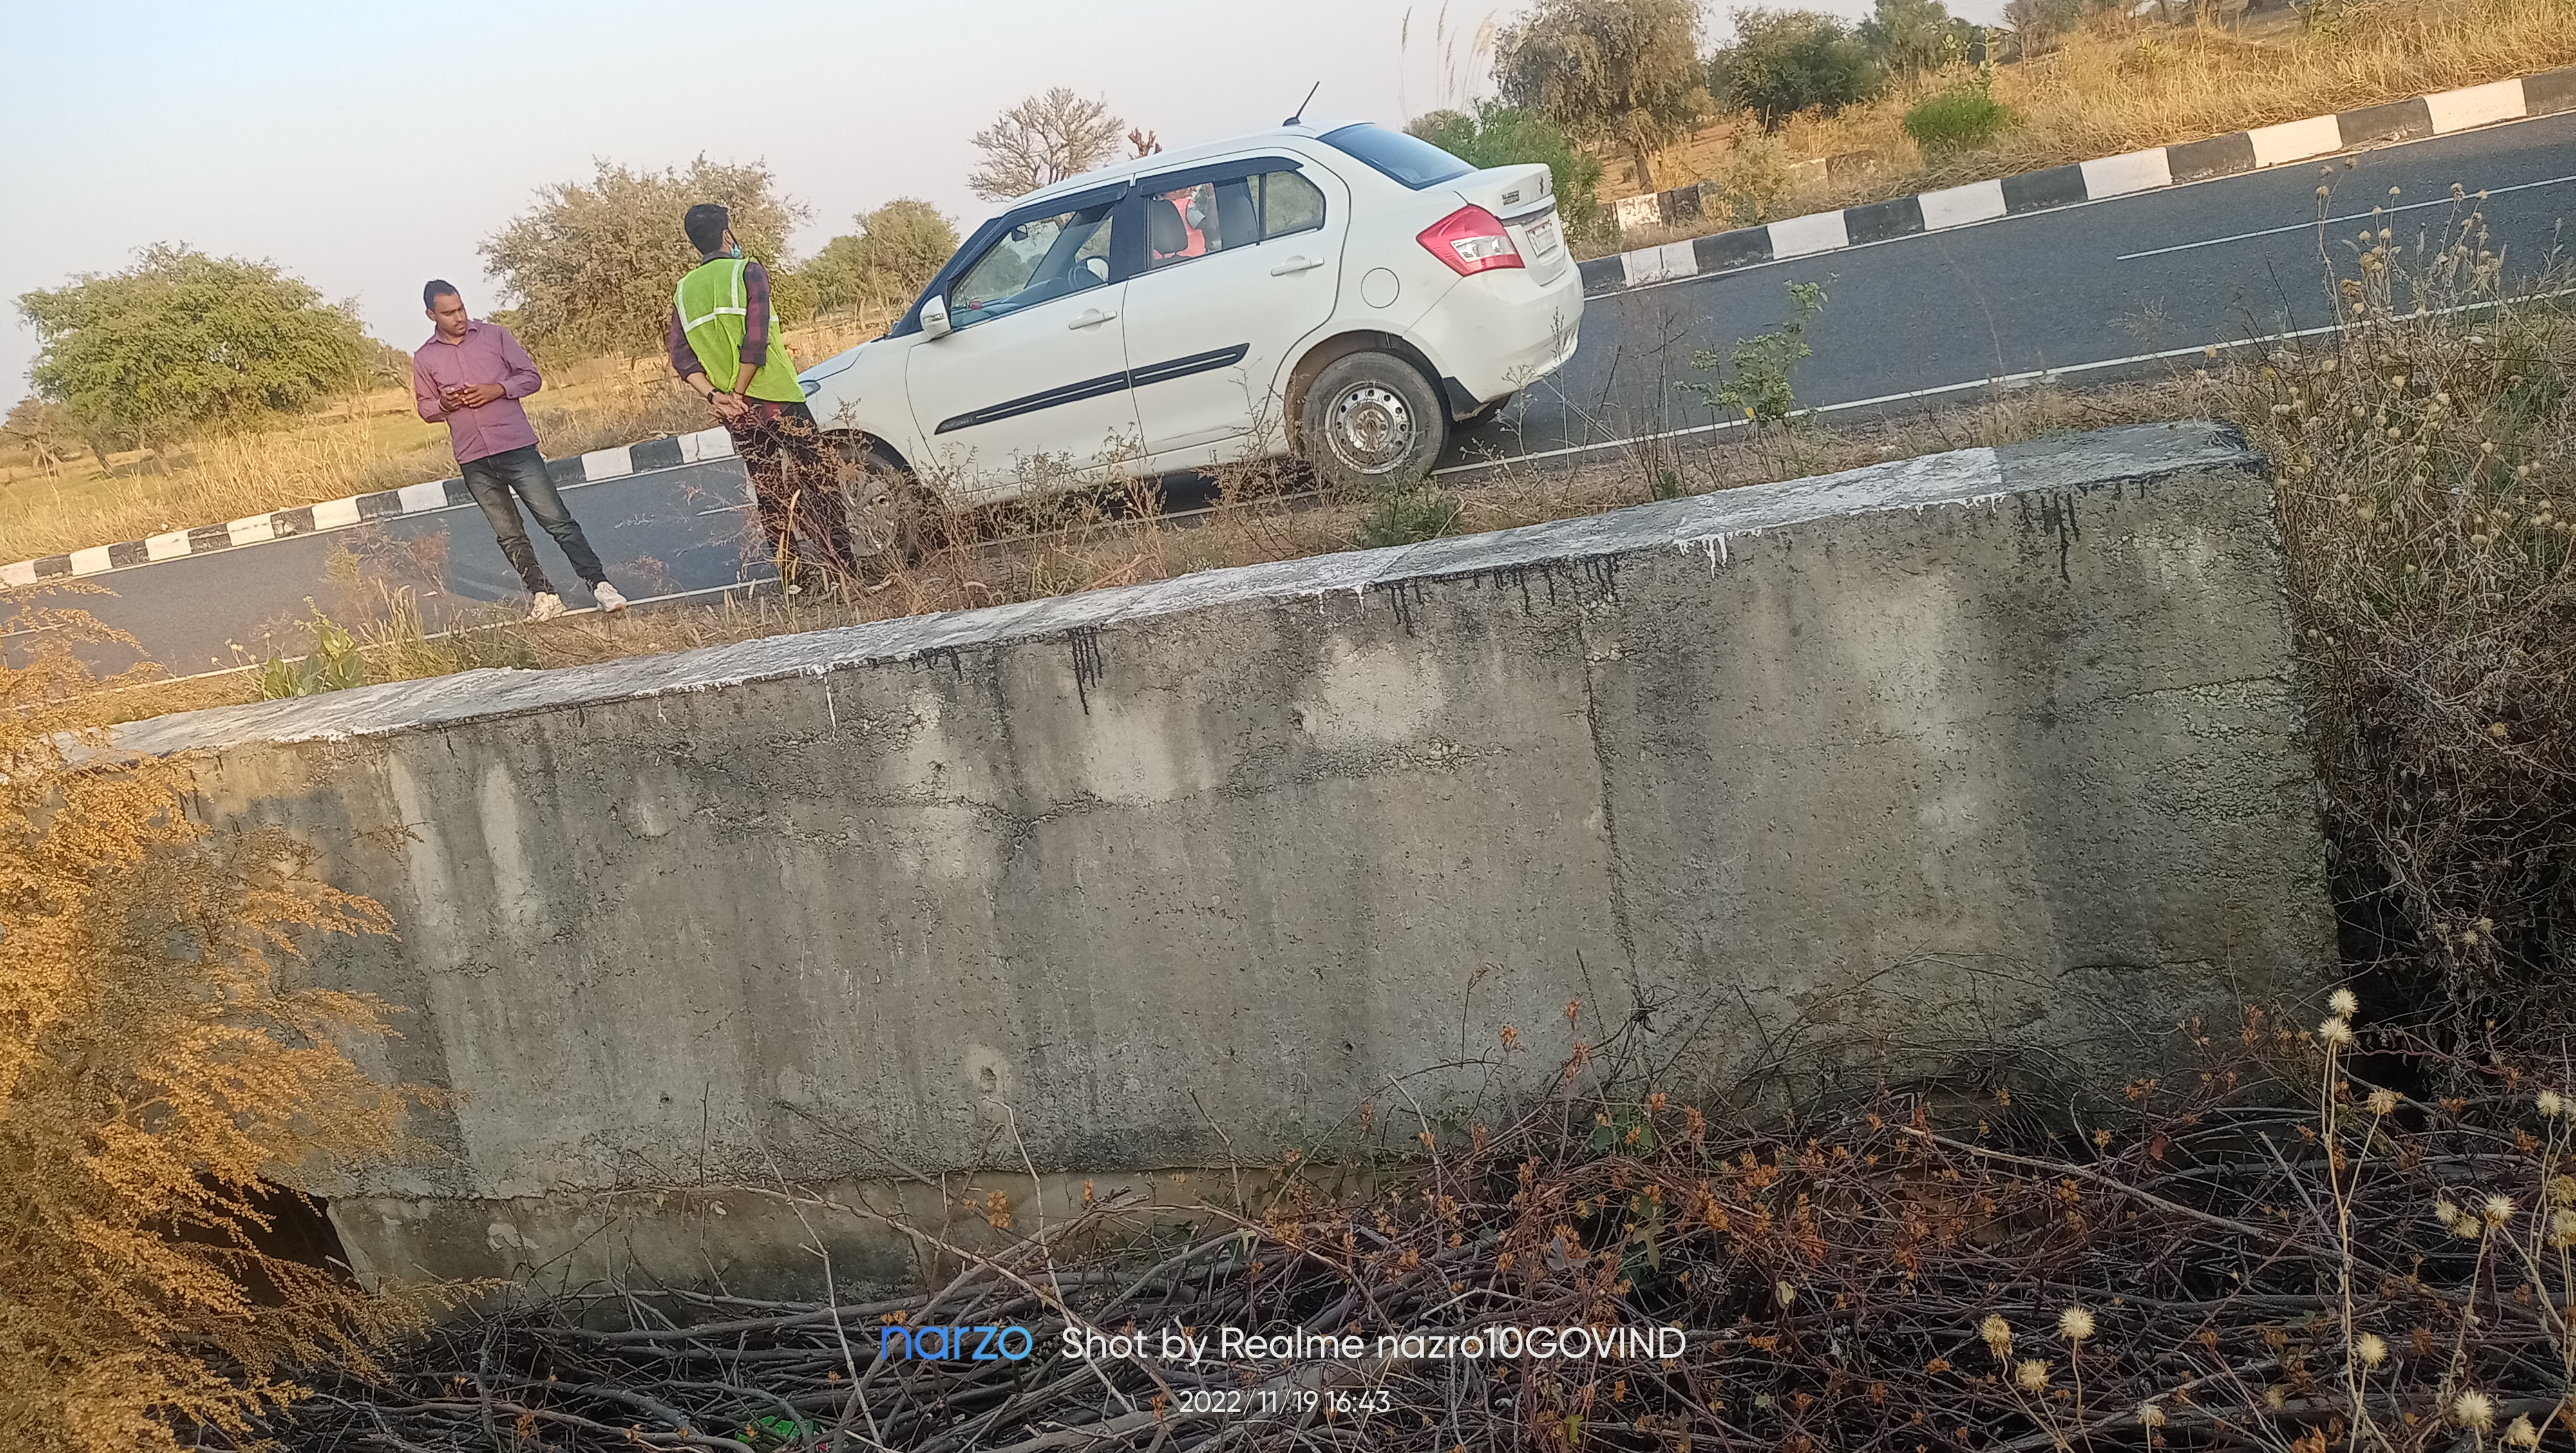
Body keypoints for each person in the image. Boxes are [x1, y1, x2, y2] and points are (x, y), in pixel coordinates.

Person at [413, 282, 627, 620]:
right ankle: (544, 595)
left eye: (461, 308)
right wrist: (444, 404)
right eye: (449, 313)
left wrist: (497, 389)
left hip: (516, 448)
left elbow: (531, 378)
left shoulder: (494, 336)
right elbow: (426, 409)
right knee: (509, 534)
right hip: (474, 459)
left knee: (557, 521)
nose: (459, 317)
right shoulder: (425, 357)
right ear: (431, 315)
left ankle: (599, 585)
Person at [668, 204, 854, 584]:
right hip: (778, 399)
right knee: (819, 480)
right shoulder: (748, 270)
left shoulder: (683, 292)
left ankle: (794, 581)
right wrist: (740, 390)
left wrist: (717, 397)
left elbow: (681, 357)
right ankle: (843, 571)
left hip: (736, 414)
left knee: (770, 493)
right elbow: (756, 341)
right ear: (726, 235)